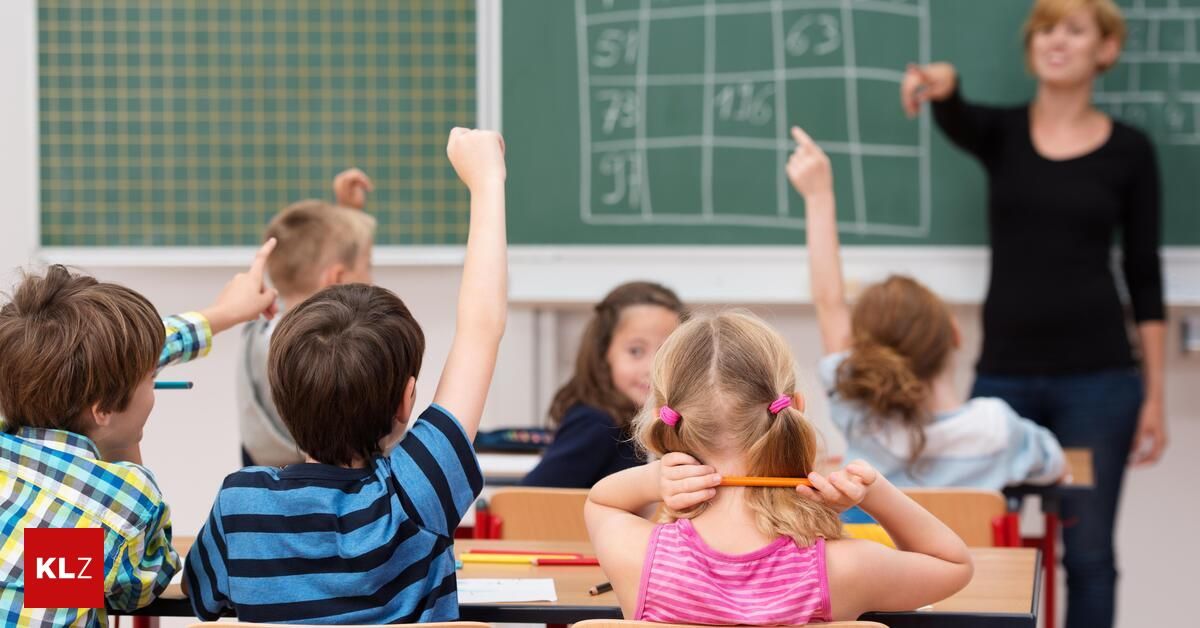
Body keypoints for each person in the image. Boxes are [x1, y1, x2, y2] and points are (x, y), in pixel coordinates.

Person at [901, 1, 1165, 625]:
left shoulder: (1130, 151)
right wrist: (944, 86)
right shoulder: (1004, 135)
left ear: (1105, 49)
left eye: (1074, 29)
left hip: (1100, 383)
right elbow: (958, 113)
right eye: (1045, 28)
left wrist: (1154, 394)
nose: (1056, 40)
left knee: (1090, 554)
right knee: (982, 540)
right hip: (1005, 379)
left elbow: (1145, 273)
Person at [184, 127, 509, 624]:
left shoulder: (240, 505)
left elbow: (202, 597)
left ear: (284, 395)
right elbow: (481, 330)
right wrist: (488, 183)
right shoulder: (415, 496)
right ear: (406, 402)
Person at [585, 311, 973, 623]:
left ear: (665, 418)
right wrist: (876, 495)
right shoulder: (841, 569)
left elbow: (600, 503)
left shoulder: (643, 558)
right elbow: (952, 564)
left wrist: (655, 479)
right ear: (795, 407)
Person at [0, 242, 278, 627]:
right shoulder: (118, 502)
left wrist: (222, 315)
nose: (153, 386)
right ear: (103, 410)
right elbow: (142, 587)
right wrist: (127, 455)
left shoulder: (18, 373)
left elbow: (51, 582)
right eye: (150, 378)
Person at [788, 125, 1065, 489]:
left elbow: (829, 301)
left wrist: (819, 195)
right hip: (961, 549)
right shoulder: (997, 429)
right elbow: (1056, 466)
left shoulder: (860, 418)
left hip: (876, 549)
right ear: (954, 334)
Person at [239, 168, 376, 467]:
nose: (371, 277)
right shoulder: (321, 352)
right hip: (330, 506)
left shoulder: (260, 332)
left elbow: (332, 297)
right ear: (338, 276)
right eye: (368, 265)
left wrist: (347, 214)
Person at [522, 281, 684, 488]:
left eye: (665, 352)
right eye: (635, 351)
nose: (652, 368)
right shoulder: (596, 423)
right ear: (603, 355)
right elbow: (528, 502)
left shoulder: (667, 425)